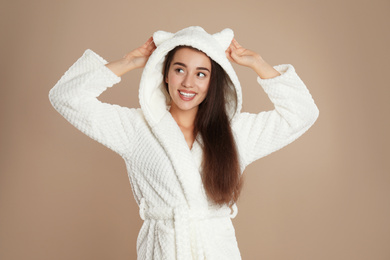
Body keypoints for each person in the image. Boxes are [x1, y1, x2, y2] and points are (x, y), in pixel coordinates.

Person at [49, 26, 319, 260]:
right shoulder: (136, 129)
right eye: (180, 70)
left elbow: (303, 113)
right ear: (165, 74)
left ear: (213, 81)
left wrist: (259, 64)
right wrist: (128, 62)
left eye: (201, 73)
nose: (188, 83)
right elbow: (65, 97)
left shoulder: (235, 132)